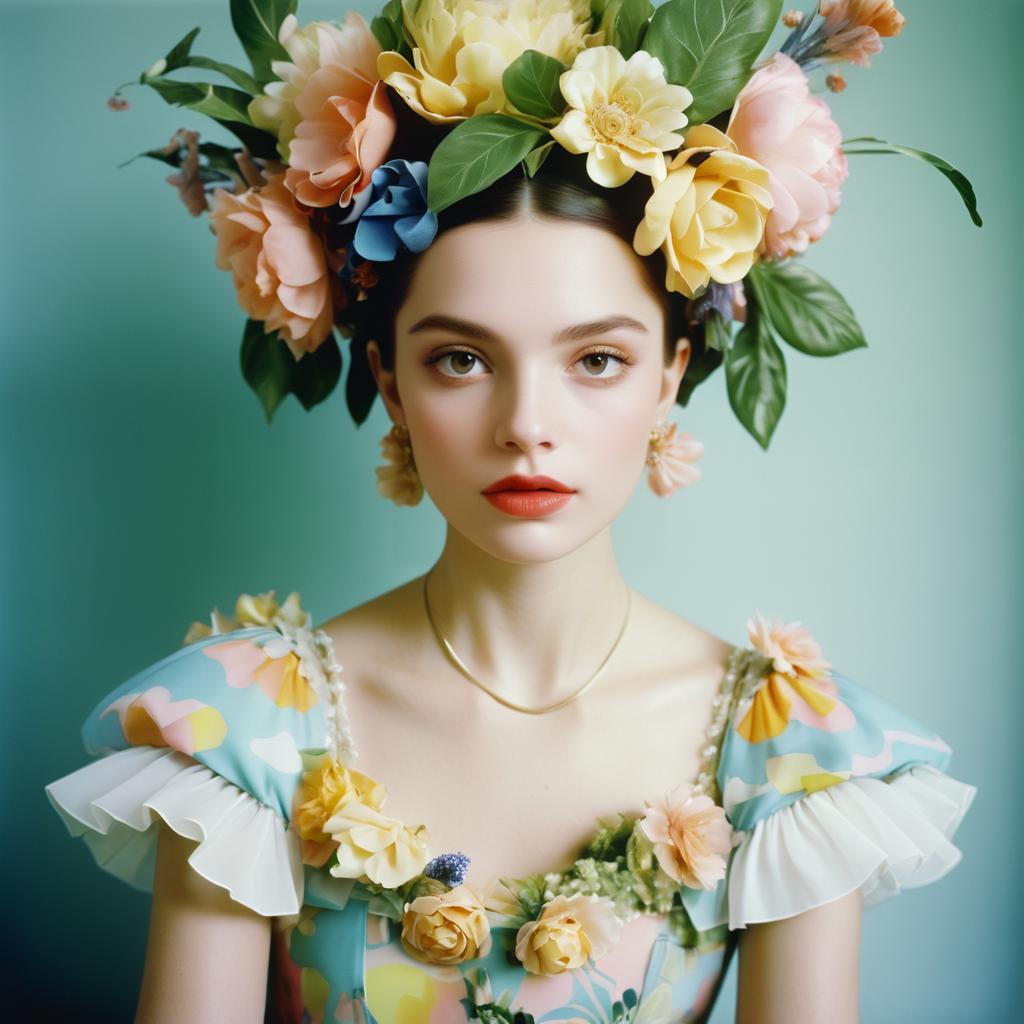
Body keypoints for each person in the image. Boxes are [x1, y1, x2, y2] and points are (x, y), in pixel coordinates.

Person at [45, 2, 981, 1020]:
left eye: (595, 360)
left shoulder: (789, 749)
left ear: (669, 375)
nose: (527, 425)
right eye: (460, 358)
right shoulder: (246, 733)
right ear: (390, 382)